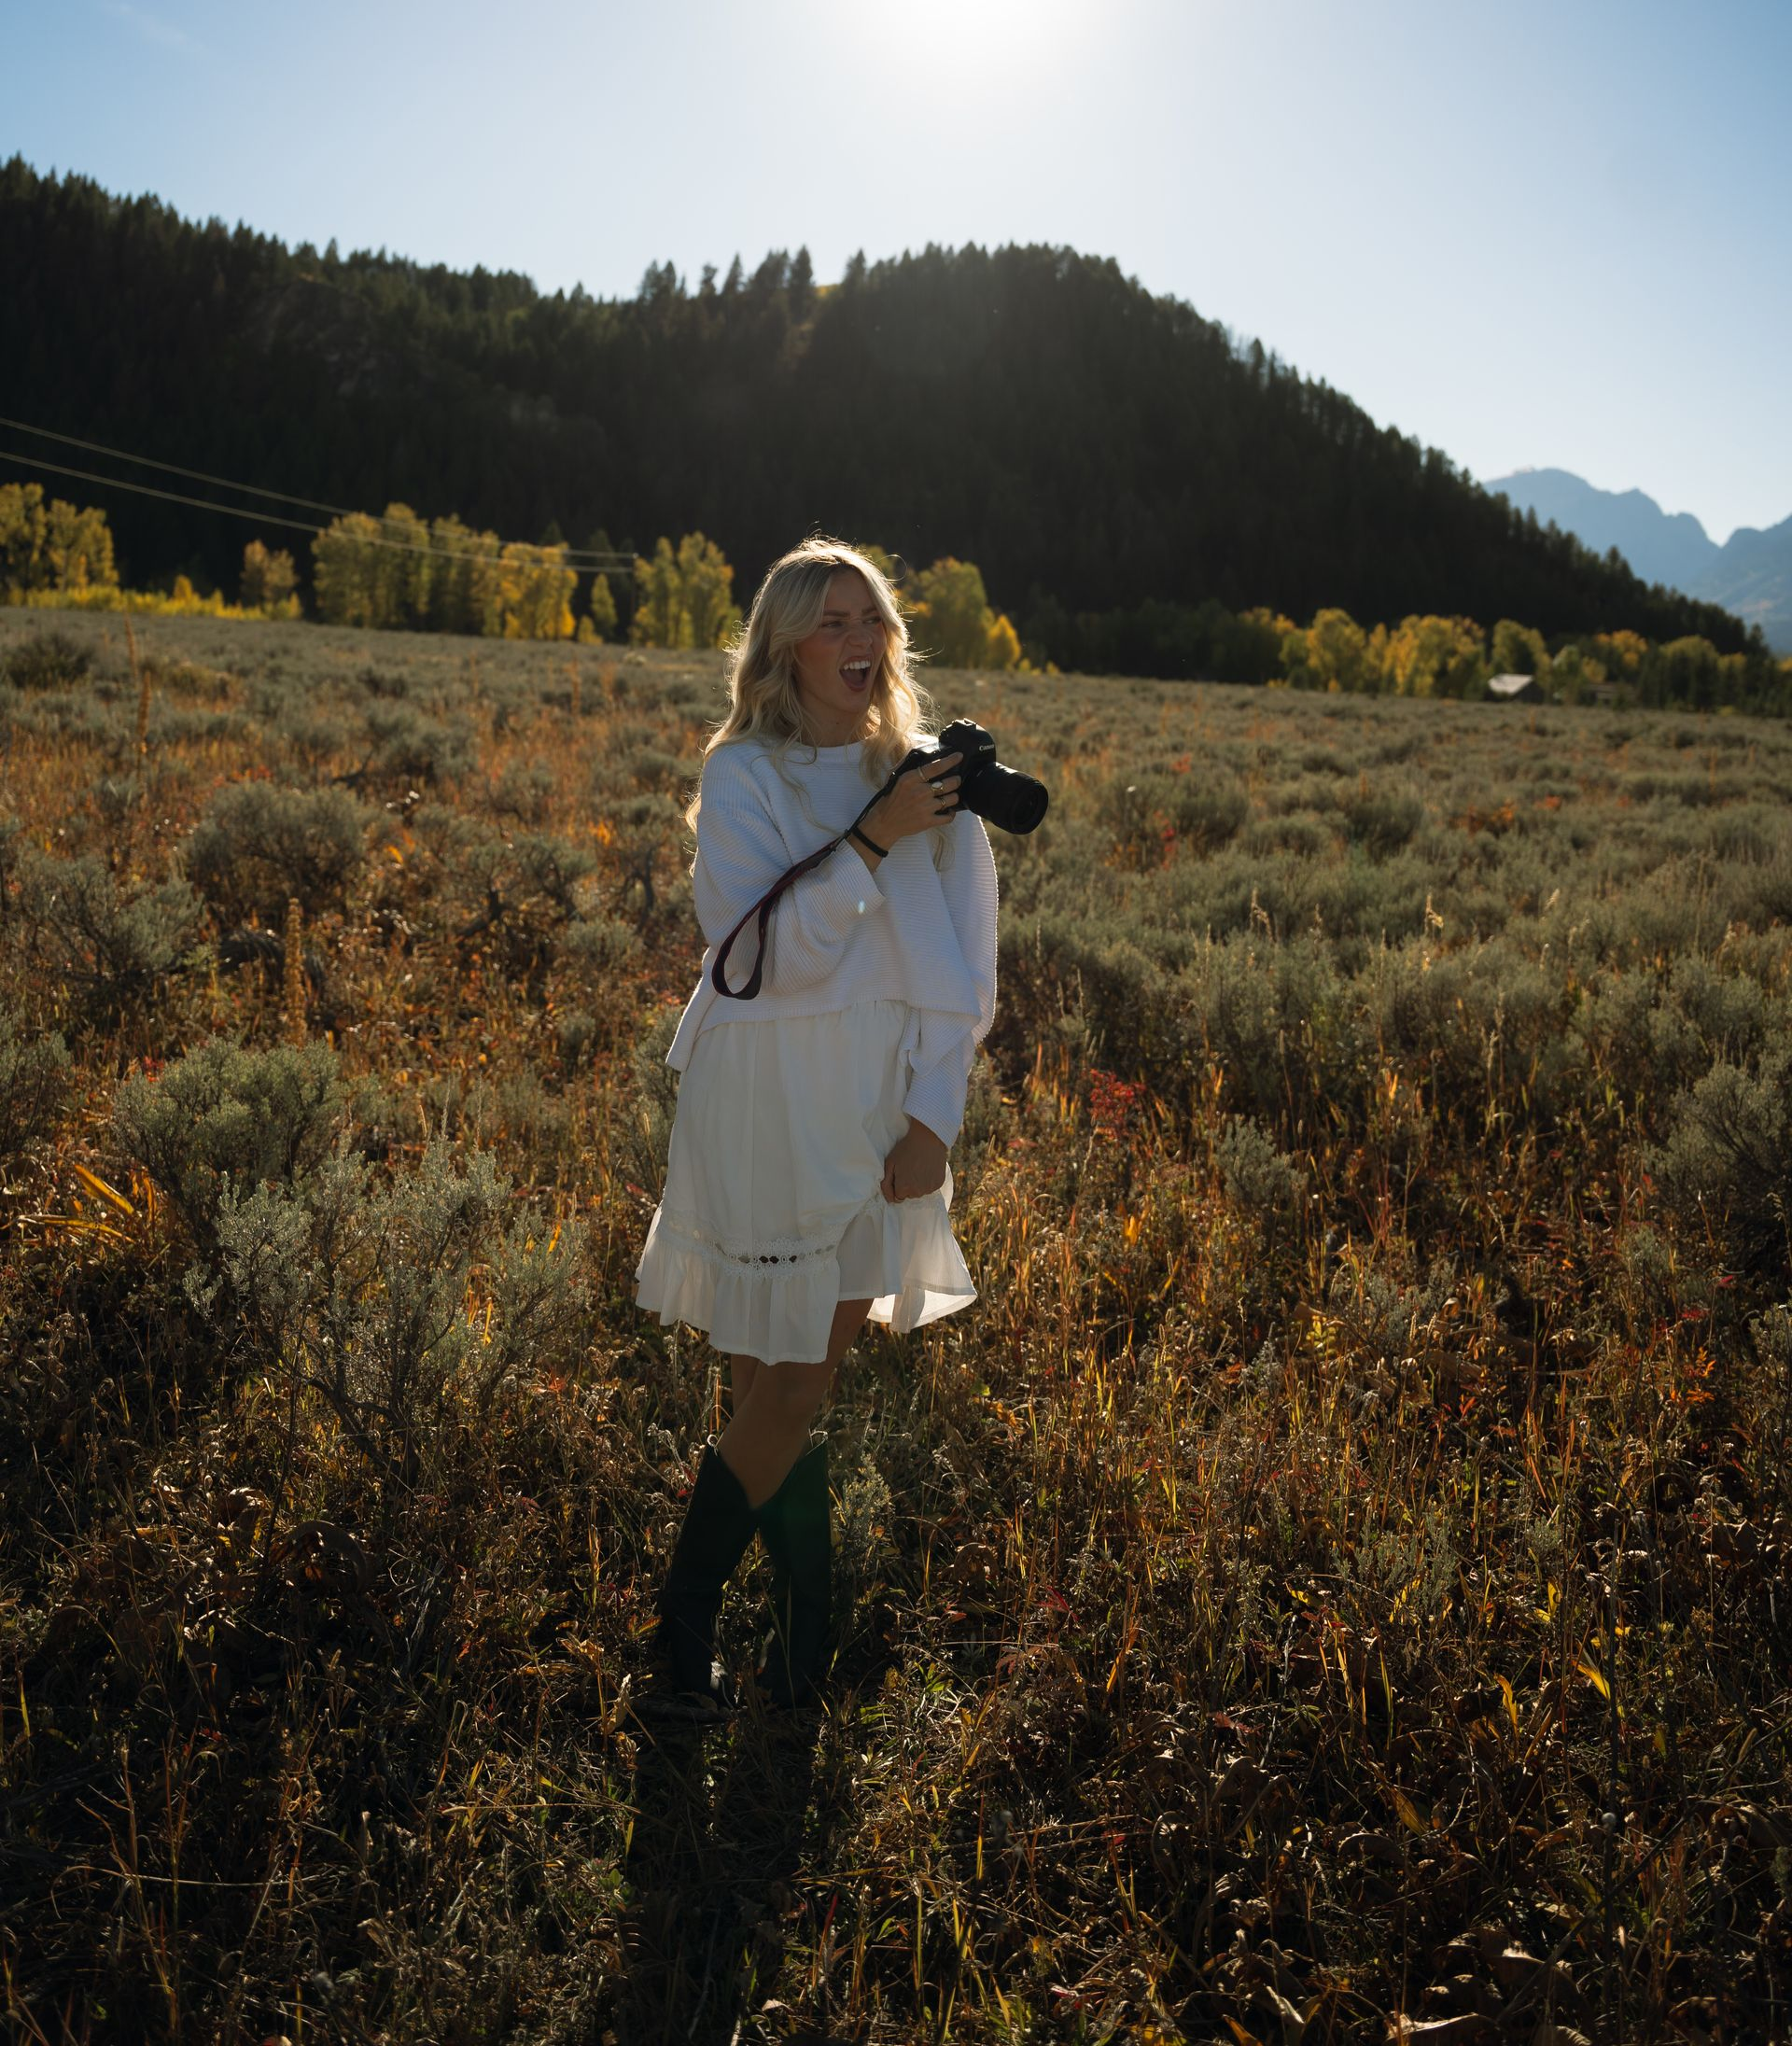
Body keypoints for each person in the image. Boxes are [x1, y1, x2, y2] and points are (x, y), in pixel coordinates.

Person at [635, 536, 999, 1716]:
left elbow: (966, 972)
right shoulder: (747, 776)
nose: (863, 641)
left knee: (792, 1382)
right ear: (786, 646)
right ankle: (712, 1641)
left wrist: (933, 1116)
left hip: (872, 1113)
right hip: (761, 1104)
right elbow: (762, 964)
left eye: (876, 620)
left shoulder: (930, 778)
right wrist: (873, 837)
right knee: (775, 1383)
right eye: (835, 620)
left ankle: (782, 1644)